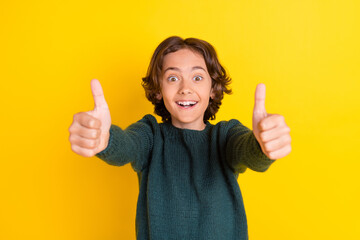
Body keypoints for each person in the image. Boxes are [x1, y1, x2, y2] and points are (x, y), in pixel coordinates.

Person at [68, 36, 291, 240]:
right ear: (158, 90)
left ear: (213, 88)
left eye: (197, 77)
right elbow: (127, 146)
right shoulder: (150, 134)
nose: (185, 88)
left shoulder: (225, 135)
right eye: (173, 78)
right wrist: (105, 140)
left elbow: (248, 151)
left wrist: (263, 145)